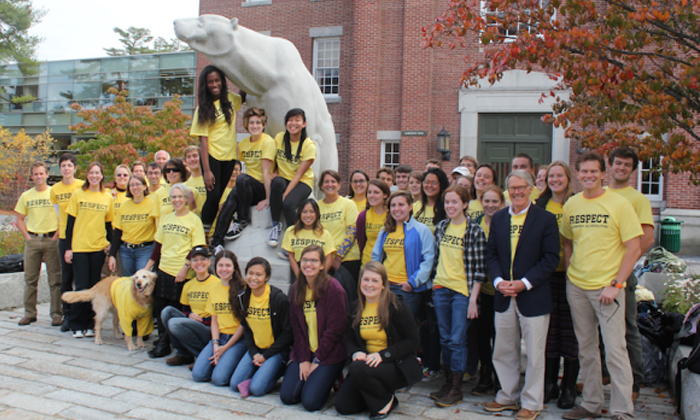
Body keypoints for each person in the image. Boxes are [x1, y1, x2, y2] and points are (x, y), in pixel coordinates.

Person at [560, 151, 642, 420]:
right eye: (584, 171)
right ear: (578, 173)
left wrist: (616, 284)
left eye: (594, 171)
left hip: (608, 290)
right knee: (586, 349)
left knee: (616, 351)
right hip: (578, 288)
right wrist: (571, 270)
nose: (588, 176)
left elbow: (634, 248)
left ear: (602, 173)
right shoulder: (572, 204)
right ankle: (592, 404)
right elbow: (568, 241)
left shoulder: (618, 204)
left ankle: (621, 410)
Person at [483, 170, 560, 420]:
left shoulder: (545, 219)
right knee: (504, 349)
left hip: (533, 295)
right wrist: (497, 281)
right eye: (512, 188)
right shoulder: (500, 218)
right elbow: (491, 254)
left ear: (530, 189)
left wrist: (524, 283)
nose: (517, 192)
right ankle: (508, 396)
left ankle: (532, 403)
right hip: (503, 295)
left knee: (536, 354)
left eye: (521, 187)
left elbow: (551, 259)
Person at [334, 261, 422, 419]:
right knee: (343, 406)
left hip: (394, 365)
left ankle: (384, 402)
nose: (369, 285)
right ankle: (382, 395)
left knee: (356, 369)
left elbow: (413, 340)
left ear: (383, 284)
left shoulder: (397, 306)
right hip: (367, 365)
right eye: (366, 280)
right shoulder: (356, 308)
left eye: (375, 281)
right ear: (360, 281)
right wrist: (355, 353)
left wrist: (383, 355)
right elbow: (350, 340)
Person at [429, 185, 486, 407]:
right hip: (442, 288)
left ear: (465, 204)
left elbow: (480, 270)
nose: (450, 206)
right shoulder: (441, 227)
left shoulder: (474, 231)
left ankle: (456, 388)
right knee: (444, 338)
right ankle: (447, 381)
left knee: (457, 339)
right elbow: (437, 259)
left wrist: (473, 299)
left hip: (463, 292)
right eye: (447, 202)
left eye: (455, 202)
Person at [606, 147, 655, 403]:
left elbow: (646, 238)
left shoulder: (638, 200)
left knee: (627, 327)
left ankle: (634, 382)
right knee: (599, 327)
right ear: (610, 165)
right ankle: (604, 373)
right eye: (618, 163)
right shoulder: (600, 195)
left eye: (627, 165)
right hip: (596, 274)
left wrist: (624, 266)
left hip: (620, 275)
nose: (621, 168)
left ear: (633, 170)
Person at [280, 245, 347, 411]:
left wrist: (317, 360)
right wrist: (303, 359)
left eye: (314, 261)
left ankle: (332, 376)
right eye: (305, 260)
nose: (308, 264)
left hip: (328, 353)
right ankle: (315, 377)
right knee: (288, 397)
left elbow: (335, 330)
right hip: (306, 350)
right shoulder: (296, 289)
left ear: (322, 265)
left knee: (310, 403)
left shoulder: (334, 289)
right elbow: (297, 329)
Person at [534, 161, 579, 409]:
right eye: (551, 176)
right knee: (550, 332)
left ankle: (569, 385)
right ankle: (549, 382)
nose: (555, 180)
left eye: (559, 175)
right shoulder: (539, 205)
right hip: (546, 277)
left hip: (573, 276)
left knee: (570, 332)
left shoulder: (577, 203)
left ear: (568, 178)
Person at [145, 183, 207, 358]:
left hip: (181, 273)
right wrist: (148, 267)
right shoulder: (167, 218)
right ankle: (163, 341)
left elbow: (197, 248)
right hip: (163, 269)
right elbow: (158, 245)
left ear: (187, 199)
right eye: (174, 197)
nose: (177, 200)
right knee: (159, 309)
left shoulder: (194, 220)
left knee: (174, 310)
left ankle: (166, 346)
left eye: (180, 197)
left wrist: (185, 267)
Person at [211, 107, 275, 250]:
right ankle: (216, 243)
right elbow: (243, 167)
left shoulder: (268, 142)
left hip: (261, 188)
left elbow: (266, 172)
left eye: (258, 122)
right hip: (246, 187)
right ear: (247, 125)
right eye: (251, 123)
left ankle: (242, 219)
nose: (255, 126)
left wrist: (268, 198)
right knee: (230, 200)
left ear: (264, 125)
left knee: (242, 179)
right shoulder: (244, 144)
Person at [64, 162, 115, 339]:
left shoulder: (107, 197)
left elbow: (109, 225)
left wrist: (109, 243)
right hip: (79, 247)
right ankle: (76, 324)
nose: (94, 176)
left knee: (94, 287)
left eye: (98, 173)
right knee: (81, 285)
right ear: (87, 175)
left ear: (102, 176)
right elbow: (70, 224)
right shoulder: (78, 194)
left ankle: (90, 324)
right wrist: (68, 248)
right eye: (91, 173)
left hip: (98, 248)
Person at [189, 65, 243, 229]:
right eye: (210, 82)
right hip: (212, 157)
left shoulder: (231, 99)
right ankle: (202, 234)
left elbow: (244, 92)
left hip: (229, 157)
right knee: (212, 198)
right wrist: (207, 171)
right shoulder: (203, 108)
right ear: (205, 84)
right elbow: (203, 141)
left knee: (218, 197)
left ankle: (207, 232)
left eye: (217, 80)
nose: (214, 84)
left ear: (222, 81)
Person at [230, 257, 293, 397]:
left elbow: (288, 333)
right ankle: (261, 371)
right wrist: (254, 353)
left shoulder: (278, 299)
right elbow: (246, 328)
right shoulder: (242, 297)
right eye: (250, 273)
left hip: (275, 351)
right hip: (256, 350)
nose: (253, 278)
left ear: (267, 277)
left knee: (257, 389)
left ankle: (278, 370)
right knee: (235, 384)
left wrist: (266, 356)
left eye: (259, 275)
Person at [371, 191, 435, 315]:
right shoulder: (385, 231)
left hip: (406, 289)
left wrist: (412, 283)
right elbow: (375, 257)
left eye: (401, 205)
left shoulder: (422, 230)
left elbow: (428, 260)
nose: (397, 209)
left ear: (410, 207)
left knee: (404, 329)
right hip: (385, 287)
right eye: (393, 205)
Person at [15, 162, 61, 327]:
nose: (39, 177)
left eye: (41, 173)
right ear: (32, 176)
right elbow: (19, 219)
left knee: (55, 279)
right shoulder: (27, 196)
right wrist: (27, 237)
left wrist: (56, 235)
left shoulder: (54, 193)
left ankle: (56, 314)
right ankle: (29, 313)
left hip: (51, 240)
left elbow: (64, 216)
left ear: (47, 174)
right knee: (30, 279)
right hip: (33, 240)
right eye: (36, 174)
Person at [192, 250, 248, 385]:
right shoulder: (213, 288)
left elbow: (244, 323)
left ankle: (231, 363)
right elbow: (214, 321)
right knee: (198, 375)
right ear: (215, 267)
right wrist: (216, 344)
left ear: (234, 268)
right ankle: (221, 362)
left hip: (238, 339)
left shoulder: (244, 289)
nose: (224, 269)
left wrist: (226, 347)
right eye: (220, 265)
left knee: (219, 379)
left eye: (228, 265)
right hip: (220, 337)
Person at [469, 185, 504, 394]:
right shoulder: (476, 224)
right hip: (481, 288)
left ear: (502, 203)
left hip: (502, 289)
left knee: (502, 337)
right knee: (483, 335)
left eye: (495, 202)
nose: (490, 205)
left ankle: (500, 376)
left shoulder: (506, 223)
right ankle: (484, 375)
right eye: (487, 201)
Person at [161, 246, 218, 367]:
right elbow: (185, 309)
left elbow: (221, 314)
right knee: (167, 312)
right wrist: (189, 315)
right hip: (193, 322)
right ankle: (184, 354)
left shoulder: (216, 283)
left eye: (203, 259)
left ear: (209, 262)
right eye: (195, 260)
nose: (199, 263)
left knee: (174, 324)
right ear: (191, 264)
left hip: (208, 327)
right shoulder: (189, 285)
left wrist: (205, 320)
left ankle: (202, 355)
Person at [268, 108, 316, 247]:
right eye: (290, 120)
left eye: (297, 120)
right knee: (276, 182)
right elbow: (275, 158)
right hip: (283, 178)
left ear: (304, 123)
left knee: (288, 204)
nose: (293, 123)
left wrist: (285, 195)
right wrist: (276, 170)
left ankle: (296, 238)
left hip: (302, 181)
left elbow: (299, 174)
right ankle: (275, 226)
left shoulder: (309, 146)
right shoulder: (279, 138)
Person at [50, 153, 84, 331]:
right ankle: (67, 315)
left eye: (69, 165)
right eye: (63, 165)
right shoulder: (55, 189)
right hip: (65, 238)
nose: (66, 168)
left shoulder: (81, 186)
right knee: (66, 277)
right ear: (59, 167)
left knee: (80, 278)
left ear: (75, 168)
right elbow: (58, 214)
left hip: (82, 238)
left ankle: (80, 315)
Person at [318, 170, 361, 297]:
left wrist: (338, 258)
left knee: (346, 299)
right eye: (326, 181)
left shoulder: (348, 204)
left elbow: (352, 232)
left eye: (333, 181)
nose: (329, 184)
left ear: (339, 185)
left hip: (346, 260)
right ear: (321, 185)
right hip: (324, 260)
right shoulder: (316, 206)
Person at [108, 174, 157, 277]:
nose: (135, 187)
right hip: (126, 251)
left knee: (143, 282)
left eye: (138, 184)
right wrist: (112, 255)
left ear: (144, 186)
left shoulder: (153, 204)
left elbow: (159, 230)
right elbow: (118, 232)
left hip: (145, 250)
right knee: (128, 283)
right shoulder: (124, 206)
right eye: (132, 185)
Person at [281, 199, 336, 278]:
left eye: (311, 211)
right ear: (299, 214)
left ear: (317, 214)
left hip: (319, 274)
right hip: (298, 272)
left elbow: (329, 260)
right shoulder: (291, 231)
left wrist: (318, 278)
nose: (308, 215)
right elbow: (291, 257)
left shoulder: (325, 234)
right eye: (304, 212)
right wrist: (300, 278)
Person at [153, 158, 199, 224]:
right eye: (168, 170)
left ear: (182, 172)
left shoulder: (192, 191)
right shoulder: (159, 193)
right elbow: (157, 220)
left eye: (175, 170)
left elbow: (198, 217)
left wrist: (192, 202)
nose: (171, 172)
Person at [357, 179, 390, 266]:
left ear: (385, 195)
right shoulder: (363, 216)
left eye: (376, 192)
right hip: (368, 262)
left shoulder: (392, 215)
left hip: (388, 265)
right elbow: (361, 241)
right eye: (369, 192)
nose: (372, 195)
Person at [414, 168, 449, 233]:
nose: (429, 185)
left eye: (434, 183)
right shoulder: (415, 206)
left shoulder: (447, 208)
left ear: (442, 185)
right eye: (426, 182)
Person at [183, 145, 207, 214]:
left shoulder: (210, 180)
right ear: (185, 161)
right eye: (188, 157)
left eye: (195, 156)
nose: (192, 159)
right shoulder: (185, 185)